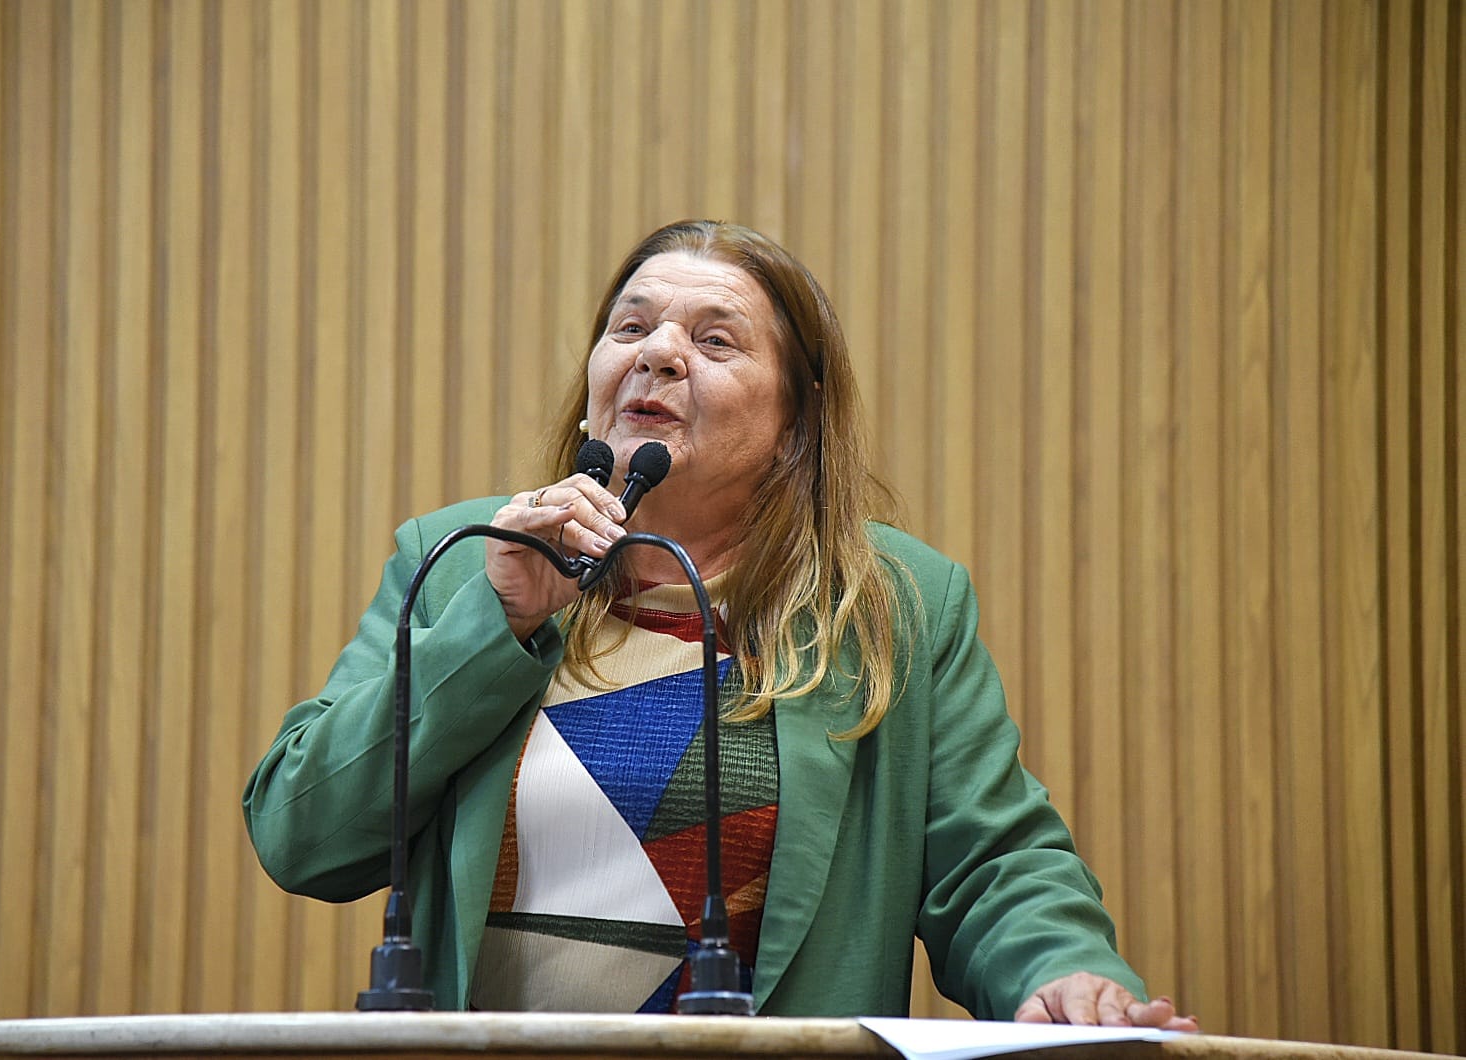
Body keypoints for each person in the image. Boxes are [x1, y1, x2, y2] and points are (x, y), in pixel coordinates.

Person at [243, 220, 1197, 1028]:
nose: (657, 353)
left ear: (794, 422)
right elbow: (302, 832)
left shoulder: (894, 606)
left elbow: (991, 864)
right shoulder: (461, 558)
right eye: (631, 327)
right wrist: (494, 623)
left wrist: (1062, 973)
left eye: (716, 340)